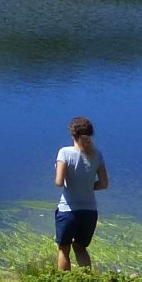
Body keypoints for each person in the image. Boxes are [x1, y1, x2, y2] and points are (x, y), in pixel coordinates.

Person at [55, 115, 110, 271]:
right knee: (80, 248)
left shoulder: (64, 153)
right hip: (89, 212)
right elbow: (104, 184)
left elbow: (59, 182)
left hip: (68, 211)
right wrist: (86, 186)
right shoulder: (97, 155)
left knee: (63, 250)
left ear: (72, 134)